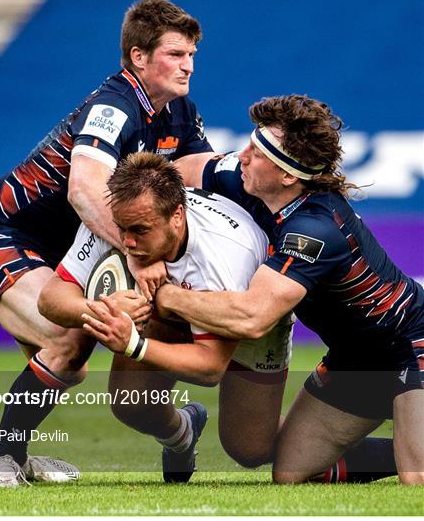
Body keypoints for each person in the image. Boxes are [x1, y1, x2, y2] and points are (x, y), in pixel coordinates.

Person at [0, 0, 215, 487]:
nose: (188, 66)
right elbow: (84, 190)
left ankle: (180, 428)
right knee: (68, 339)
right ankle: (0, 458)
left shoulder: (179, 111)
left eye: (192, 56)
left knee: (66, 361)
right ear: (139, 57)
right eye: (176, 55)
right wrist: (138, 256)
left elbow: (198, 177)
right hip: (4, 234)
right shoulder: (114, 106)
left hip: (66, 245)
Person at [156, 94, 424, 485]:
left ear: (288, 176)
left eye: (258, 152)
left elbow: (251, 317)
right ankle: (405, 446)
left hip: (412, 347)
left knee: (415, 483)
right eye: (250, 144)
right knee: (291, 472)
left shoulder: (314, 229)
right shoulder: (248, 178)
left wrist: (165, 295)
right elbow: (182, 169)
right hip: (355, 359)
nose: (242, 156)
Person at [38, 151, 293, 482]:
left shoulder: (224, 255)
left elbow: (211, 367)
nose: (127, 241)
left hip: (243, 317)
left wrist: (133, 344)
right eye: (122, 228)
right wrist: (103, 312)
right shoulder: (122, 217)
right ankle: (182, 433)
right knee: (130, 403)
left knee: (250, 451)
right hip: (171, 308)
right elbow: (50, 299)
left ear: (177, 216)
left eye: (140, 230)